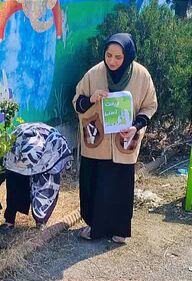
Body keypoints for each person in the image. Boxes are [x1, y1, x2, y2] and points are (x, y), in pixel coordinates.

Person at [73, 33, 157, 244]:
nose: (112, 61)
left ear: (128, 56)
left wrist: (135, 126)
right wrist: (92, 99)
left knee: (120, 186)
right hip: (97, 143)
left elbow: (150, 106)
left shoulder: (141, 76)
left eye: (118, 57)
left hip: (124, 142)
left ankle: (119, 230)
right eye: (108, 55)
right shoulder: (94, 74)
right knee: (95, 183)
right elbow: (77, 102)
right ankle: (95, 228)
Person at [1, 122, 73, 232]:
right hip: (20, 160)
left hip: (46, 160)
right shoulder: (14, 143)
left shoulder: (54, 141)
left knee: (45, 186)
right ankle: (9, 220)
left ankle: (41, 221)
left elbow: (64, 155)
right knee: (14, 183)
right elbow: (5, 170)